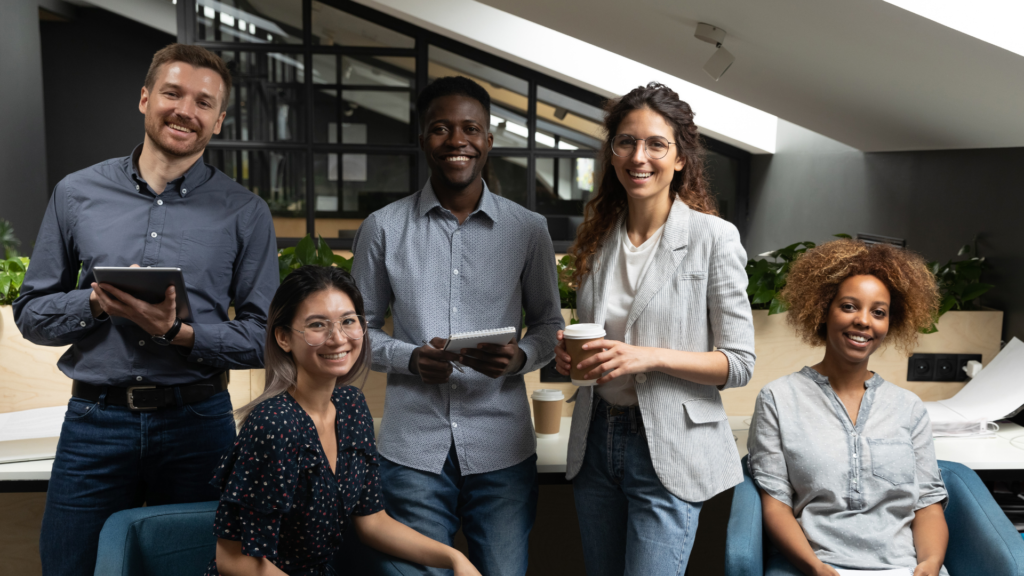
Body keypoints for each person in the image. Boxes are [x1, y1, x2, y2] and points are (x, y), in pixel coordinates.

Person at [13, 44, 279, 575]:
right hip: (94, 421)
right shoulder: (76, 193)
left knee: (197, 567)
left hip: (198, 424)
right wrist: (94, 301)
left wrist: (180, 333)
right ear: (144, 98)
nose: (186, 110)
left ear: (219, 120)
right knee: (71, 567)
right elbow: (31, 313)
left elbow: (263, 337)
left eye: (204, 103)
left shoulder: (245, 212)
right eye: (173, 93)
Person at [350, 76, 563, 576]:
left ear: (488, 140)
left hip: (503, 447)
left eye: (471, 128)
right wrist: (408, 358)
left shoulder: (528, 229)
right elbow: (355, 330)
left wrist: (521, 358)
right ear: (423, 139)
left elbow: (549, 324)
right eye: (441, 128)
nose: (457, 140)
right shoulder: (382, 227)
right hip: (412, 451)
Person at [553, 82, 756, 575]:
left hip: (669, 445)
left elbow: (739, 364)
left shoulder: (713, 238)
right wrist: (568, 360)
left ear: (681, 158)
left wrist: (647, 356)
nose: (638, 156)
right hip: (597, 437)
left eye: (655, 144)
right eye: (625, 142)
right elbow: (596, 339)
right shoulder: (600, 239)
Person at [207, 265, 481, 576]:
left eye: (348, 321)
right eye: (317, 325)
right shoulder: (274, 423)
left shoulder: (351, 406)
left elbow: (372, 522)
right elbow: (233, 560)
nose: (338, 338)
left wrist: (454, 558)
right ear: (283, 337)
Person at [747, 239, 948, 576]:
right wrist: (815, 568)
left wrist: (929, 565)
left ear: (889, 324)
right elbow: (776, 504)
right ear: (823, 310)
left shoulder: (908, 407)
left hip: (904, 568)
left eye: (878, 312)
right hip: (821, 566)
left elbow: (927, 505)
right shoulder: (778, 399)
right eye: (849, 306)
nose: (864, 321)